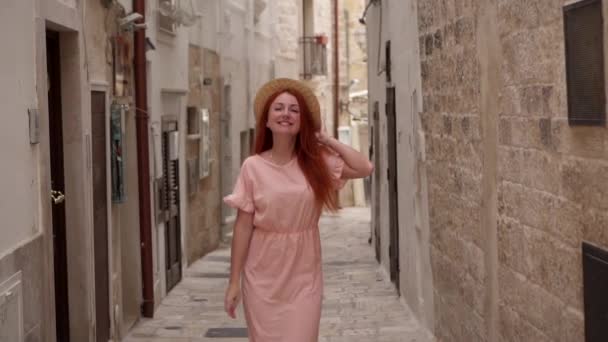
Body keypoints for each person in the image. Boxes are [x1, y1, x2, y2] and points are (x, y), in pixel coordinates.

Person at [223, 78, 374, 342]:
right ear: (267, 121)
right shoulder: (252, 167)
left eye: (294, 110)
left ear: (302, 121)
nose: (286, 114)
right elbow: (243, 226)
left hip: (304, 272)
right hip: (262, 274)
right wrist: (234, 281)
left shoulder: (316, 163)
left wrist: (325, 140)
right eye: (279, 108)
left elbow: (364, 168)